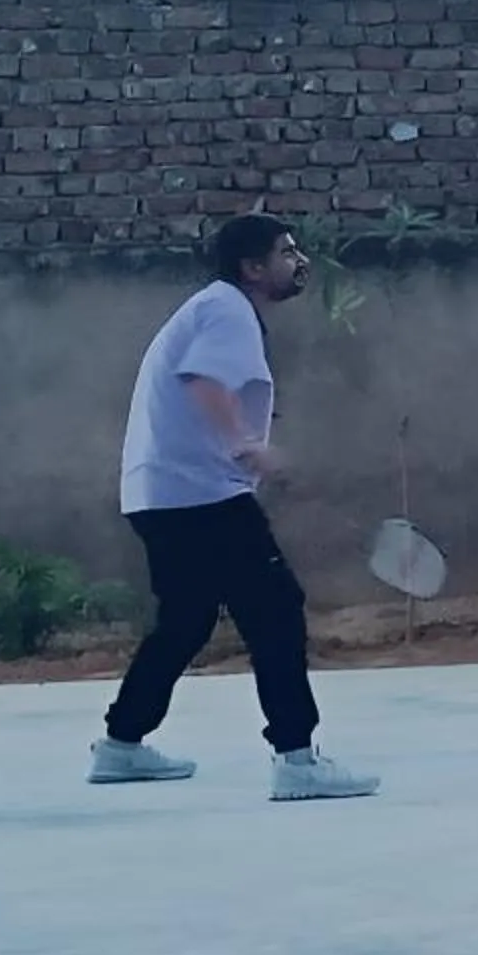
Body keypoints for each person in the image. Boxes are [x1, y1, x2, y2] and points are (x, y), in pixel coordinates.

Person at [88, 213, 380, 802]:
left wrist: (245, 435)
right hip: (200, 496)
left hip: (157, 494)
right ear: (253, 268)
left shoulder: (215, 308)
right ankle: (296, 758)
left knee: (186, 620)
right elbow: (202, 380)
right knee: (276, 609)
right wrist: (246, 443)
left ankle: (121, 743)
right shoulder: (228, 310)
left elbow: (205, 383)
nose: (299, 261)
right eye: (286, 252)